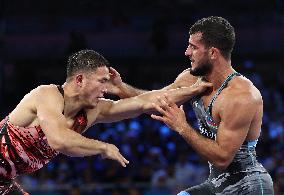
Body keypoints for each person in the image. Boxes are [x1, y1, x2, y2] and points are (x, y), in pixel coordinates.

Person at [0, 49, 211, 194]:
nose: (105, 89)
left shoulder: (94, 110)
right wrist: (102, 146)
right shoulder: (45, 95)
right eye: (102, 82)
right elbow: (59, 140)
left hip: (4, 181)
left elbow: (145, 103)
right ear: (80, 80)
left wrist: (193, 89)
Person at [149, 16, 274, 194]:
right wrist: (118, 90)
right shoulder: (192, 79)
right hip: (217, 183)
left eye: (193, 47)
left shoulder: (241, 96)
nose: (186, 52)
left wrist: (182, 127)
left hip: (249, 185)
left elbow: (223, 158)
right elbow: (155, 98)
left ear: (213, 53)